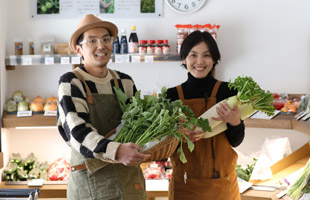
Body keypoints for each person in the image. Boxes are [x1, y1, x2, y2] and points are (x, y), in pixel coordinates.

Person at [57, 14, 150, 200]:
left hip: (129, 179)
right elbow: (77, 131)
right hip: (92, 181)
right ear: (79, 49)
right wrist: (115, 150)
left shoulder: (125, 82)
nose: (101, 46)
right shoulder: (72, 82)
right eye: (92, 41)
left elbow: (140, 123)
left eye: (106, 39)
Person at [166, 31, 245, 200]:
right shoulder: (171, 96)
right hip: (184, 185)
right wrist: (178, 133)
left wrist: (235, 122)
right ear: (184, 59)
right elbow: (163, 147)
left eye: (206, 55)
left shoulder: (228, 91)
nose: (200, 62)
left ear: (215, 59)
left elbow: (236, 141)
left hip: (223, 186)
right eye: (193, 55)